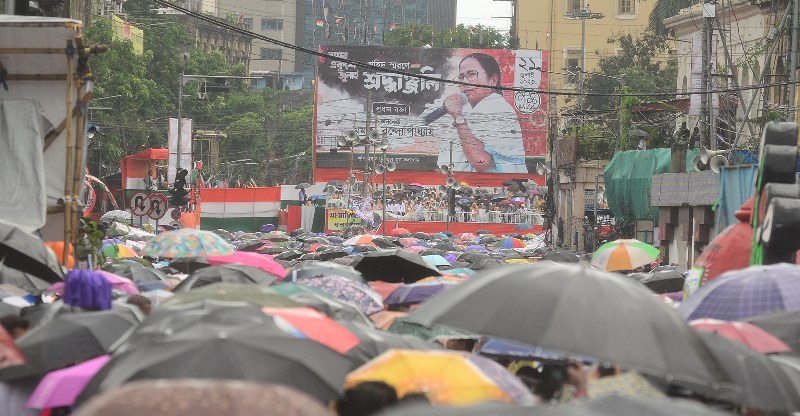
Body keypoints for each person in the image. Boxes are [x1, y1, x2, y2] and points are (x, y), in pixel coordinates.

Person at [434, 52, 527, 173]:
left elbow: (481, 162)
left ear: (493, 80)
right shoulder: (470, 109)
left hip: (488, 188)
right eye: (461, 77)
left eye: (472, 74)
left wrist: (458, 116)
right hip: (453, 186)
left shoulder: (497, 108)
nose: (465, 81)